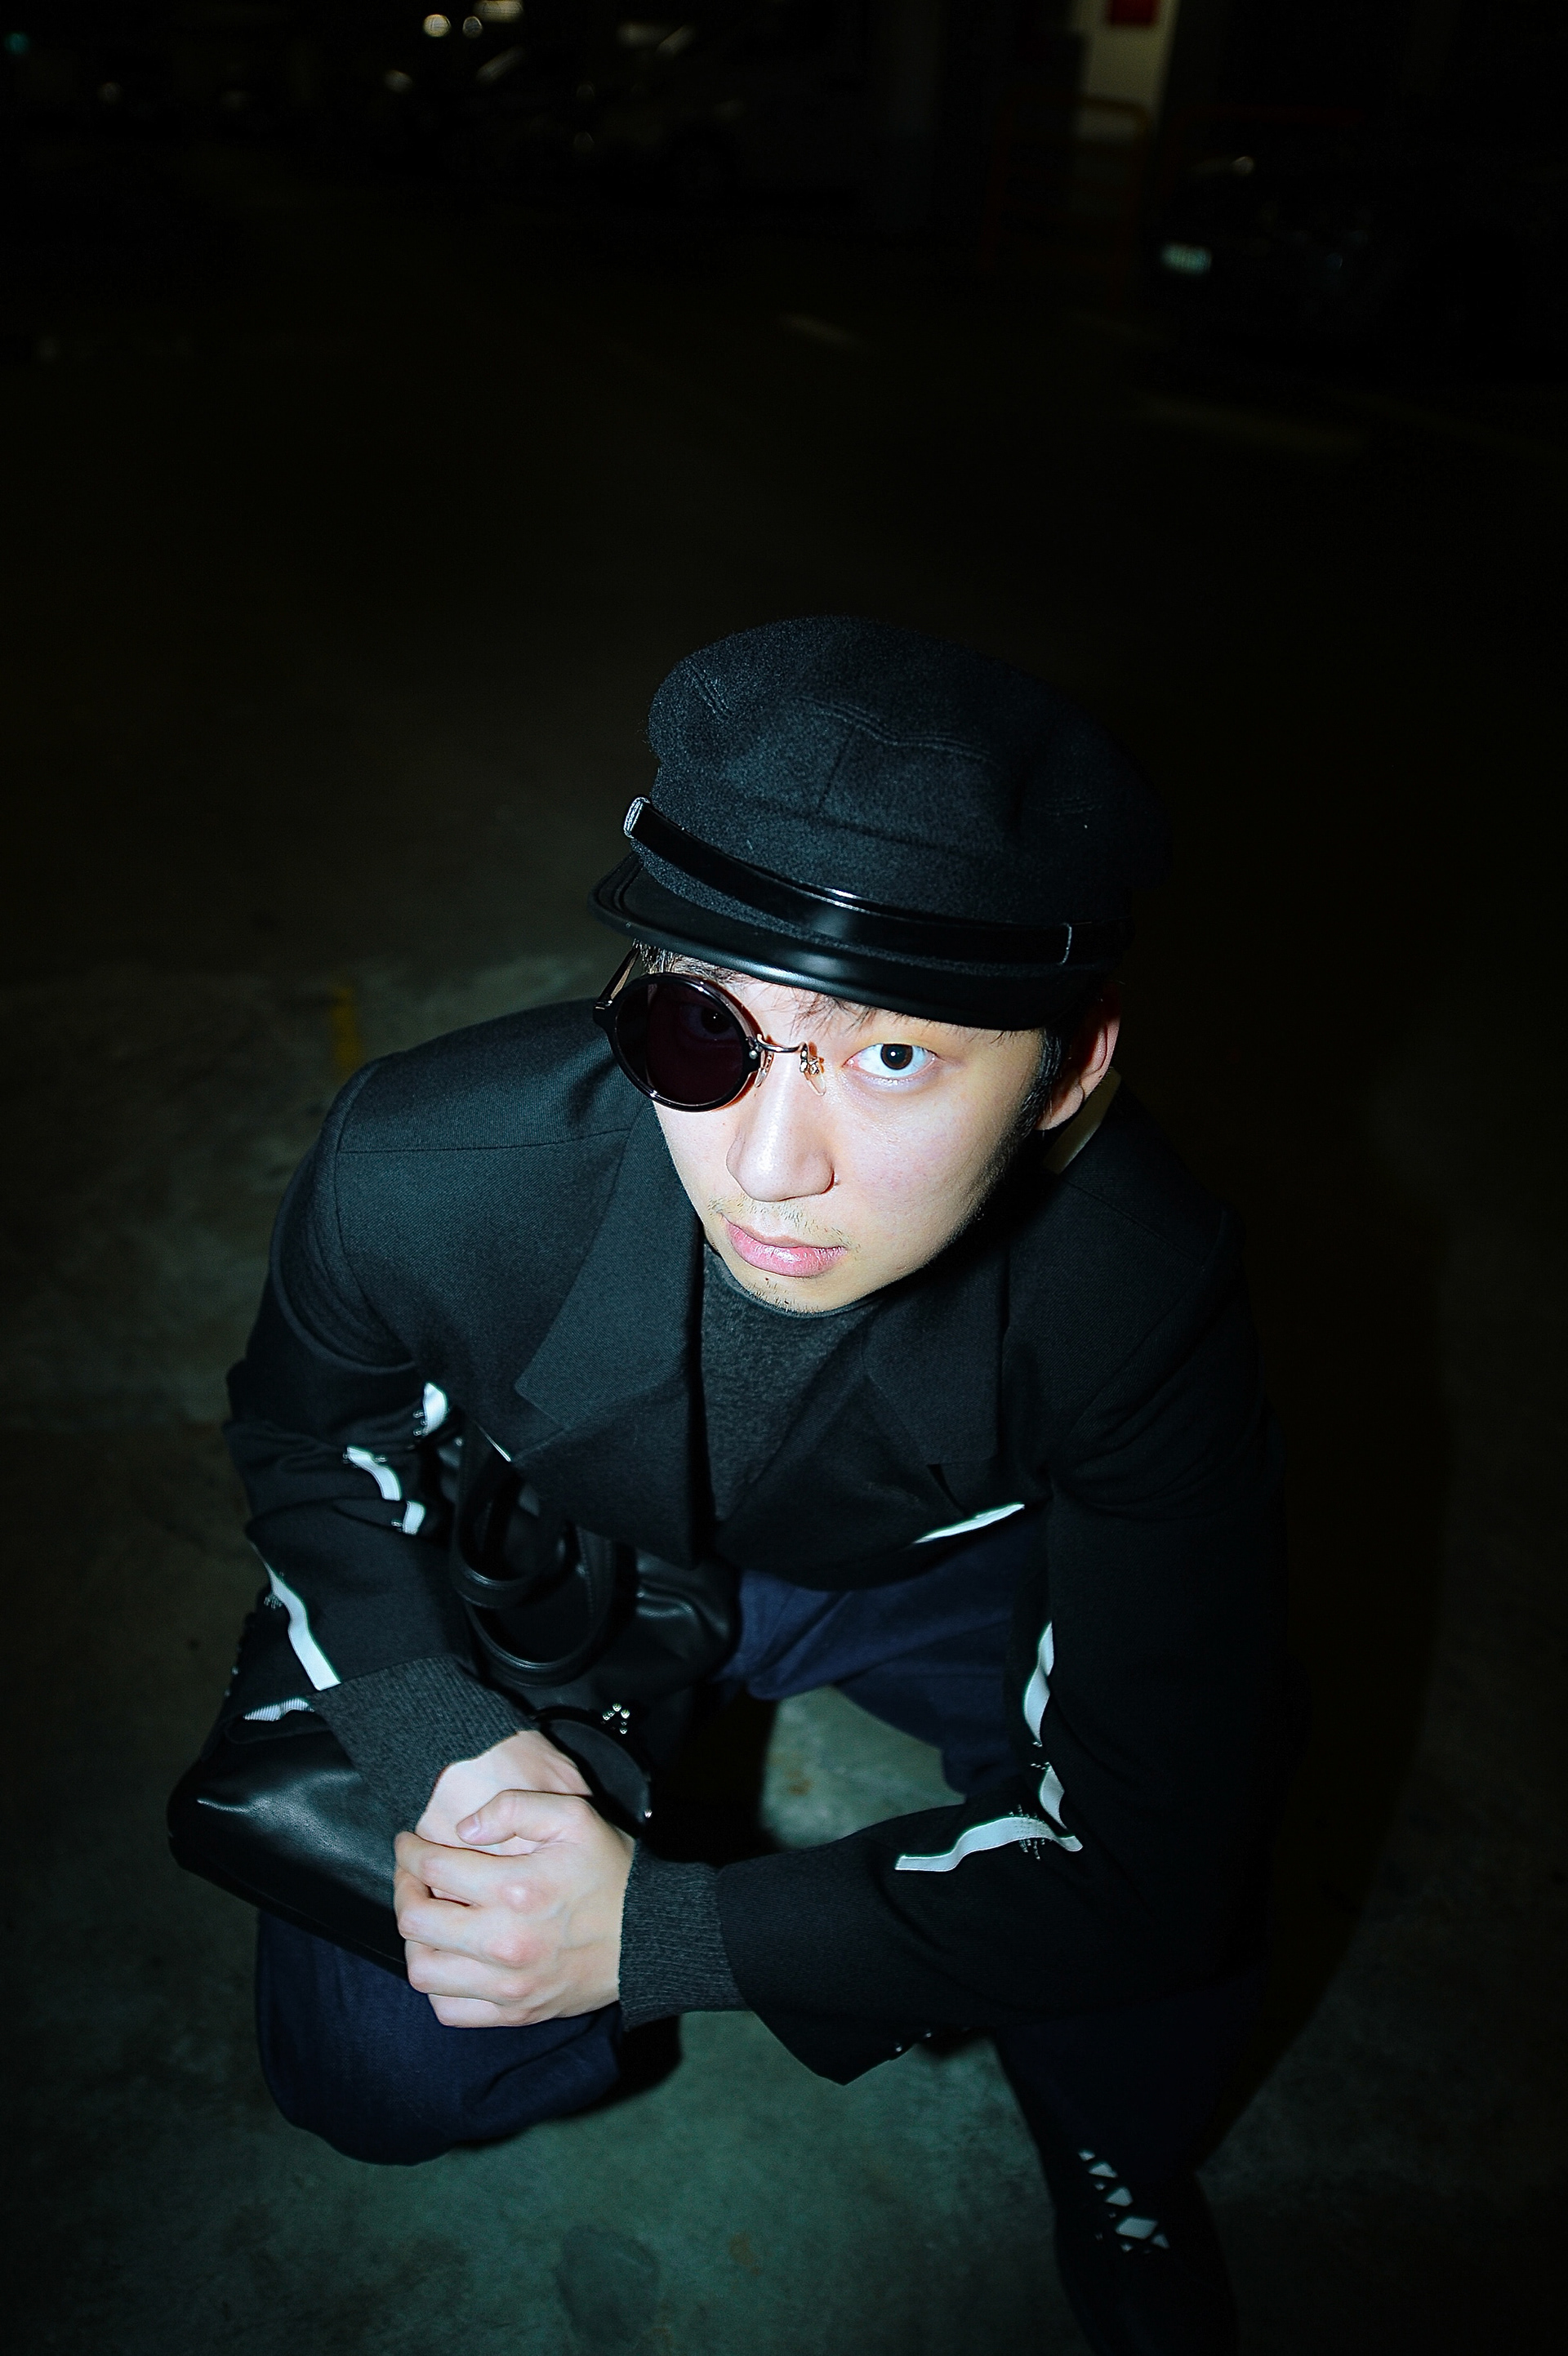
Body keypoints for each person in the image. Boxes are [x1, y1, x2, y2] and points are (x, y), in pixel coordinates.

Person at [226, 617, 1294, 2356]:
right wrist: (437, 1735)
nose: (773, 1166)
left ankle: (1120, 2139)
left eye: (894, 1057)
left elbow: (1152, 1852)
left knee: (1183, 1851)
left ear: (1071, 1065)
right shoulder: (427, 1168)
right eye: (707, 1027)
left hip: (925, 1560)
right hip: (568, 1558)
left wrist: (666, 1934)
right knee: (381, 2060)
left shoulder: (1136, 1300)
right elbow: (304, 1446)